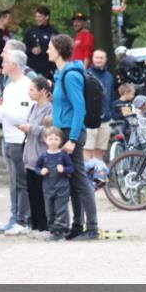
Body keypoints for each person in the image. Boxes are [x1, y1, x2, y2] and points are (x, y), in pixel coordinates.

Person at [48, 34, 100, 241]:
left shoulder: (70, 76)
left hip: (72, 132)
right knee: (72, 181)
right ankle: (77, 225)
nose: (47, 50)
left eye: (50, 47)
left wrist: (73, 139)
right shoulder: (60, 75)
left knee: (80, 179)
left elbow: (80, 108)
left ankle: (92, 227)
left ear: (59, 50)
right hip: (64, 131)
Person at [0, 50, 33, 235]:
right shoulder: (9, 87)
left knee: (21, 182)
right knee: (14, 182)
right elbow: (3, 117)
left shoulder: (26, 86)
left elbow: (22, 117)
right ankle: (17, 216)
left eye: (5, 61)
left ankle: (23, 220)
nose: (1, 64)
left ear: (15, 65)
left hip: (20, 139)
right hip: (9, 138)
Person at [19, 76, 52, 233]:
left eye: (32, 89)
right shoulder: (33, 107)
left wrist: (31, 128)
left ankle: (45, 226)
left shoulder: (50, 109)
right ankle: (35, 225)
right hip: (30, 157)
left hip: (41, 157)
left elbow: (50, 133)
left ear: (42, 91)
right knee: (32, 193)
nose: (29, 92)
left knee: (41, 193)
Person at [37, 127, 74, 239]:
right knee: (49, 211)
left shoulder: (63, 155)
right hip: (48, 187)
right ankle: (53, 230)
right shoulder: (43, 156)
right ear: (45, 140)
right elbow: (36, 168)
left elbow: (71, 168)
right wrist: (41, 171)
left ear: (61, 140)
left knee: (61, 209)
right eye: (50, 139)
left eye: (56, 139)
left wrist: (64, 169)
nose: (53, 141)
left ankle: (60, 231)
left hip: (62, 187)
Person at [85, 49, 115, 163]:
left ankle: (99, 173)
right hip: (90, 119)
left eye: (101, 58)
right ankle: (88, 174)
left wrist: (110, 113)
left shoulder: (109, 76)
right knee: (88, 150)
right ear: (92, 59)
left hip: (106, 119)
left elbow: (111, 97)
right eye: (96, 57)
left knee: (100, 151)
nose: (99, 60)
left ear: (105, 60)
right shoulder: (86, 75)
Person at [23, 5, 58, 79]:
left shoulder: (53, 32)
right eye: (36, 17)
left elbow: (57, 51)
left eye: (40, 17)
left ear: (47, 17)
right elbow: (23, 47)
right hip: (31, 70)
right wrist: (32, 50)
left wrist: (53, 69)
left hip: (46, 71)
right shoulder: (31, 31)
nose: (37, 19)